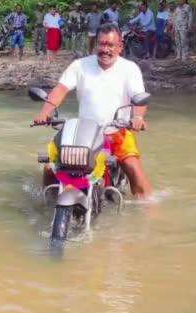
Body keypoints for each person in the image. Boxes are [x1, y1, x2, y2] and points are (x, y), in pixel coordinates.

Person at [33, 23, 152, 199]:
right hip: (84, 133)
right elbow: (60, 90)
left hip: (117, 131)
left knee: (134, 169)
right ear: (95, 44)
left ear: (120, 47)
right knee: (51, 167)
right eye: (101, 44)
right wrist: (46, 112)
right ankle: (46, 203)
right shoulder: (80, 66)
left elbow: (139, 98)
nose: (105, 49)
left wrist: (138, 117)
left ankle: (150, 213)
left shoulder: (130, 69)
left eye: (110, 45)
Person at [172, 0, 192, 64]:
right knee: (177, 42)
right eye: (179, 0)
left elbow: (190, 17)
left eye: (181, 0)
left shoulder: (187, 7)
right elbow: (174, 18)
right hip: (177, 28)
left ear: (184, 0)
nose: (179, 1)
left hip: (184, 27)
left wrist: (189, 27)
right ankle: (178, 55)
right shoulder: (177, 8)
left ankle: (184, 57)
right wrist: (174, 27)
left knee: (184, 42)